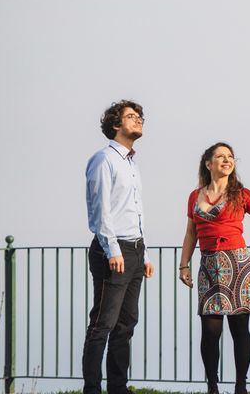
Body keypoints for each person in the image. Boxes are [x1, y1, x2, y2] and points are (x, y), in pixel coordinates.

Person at [178, 142, 250, 394]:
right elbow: (191, 232)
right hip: (209, 264)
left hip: (237, 263)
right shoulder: (195, 195)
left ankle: (240, 387)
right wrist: (184, 265)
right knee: (210, 330)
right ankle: (213, 386)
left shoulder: (241, 194)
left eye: (231, 157)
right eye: (220, 156)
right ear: (208, 163)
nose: (227, 160)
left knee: (239, 328)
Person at [82, 100, 155, 394]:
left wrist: (144, 253)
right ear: (116, 125)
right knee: (103, 323)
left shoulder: (131, 164)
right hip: (112, 250)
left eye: (140, 117)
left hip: (134, 251)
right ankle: (92, 389)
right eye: (130, 116)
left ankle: (118, 388)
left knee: (126, 324)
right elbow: (100, 211)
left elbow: (133, 211)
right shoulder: (104, 159)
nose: (138, 120)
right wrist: (112, 250)